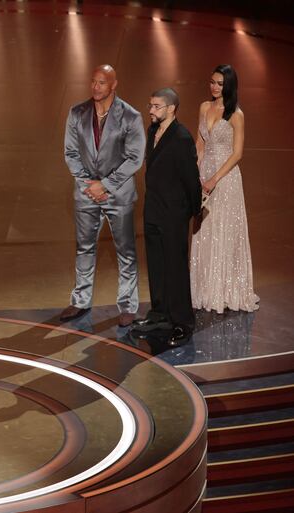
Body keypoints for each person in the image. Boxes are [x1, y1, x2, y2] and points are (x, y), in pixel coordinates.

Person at [61, 64, 146, 327]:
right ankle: (80, 300)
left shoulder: (131, 116)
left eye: (101, 83)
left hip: (118, 194)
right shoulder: (77, 112)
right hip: (86, 193)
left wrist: (105, 185)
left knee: (126, 251)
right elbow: (71, 153)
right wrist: (90, 184)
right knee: (84, 248)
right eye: (93, 82)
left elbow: (135, 158)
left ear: (113, 85)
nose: (95, 87)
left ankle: (128, 305)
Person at [131, 88, 202, 344]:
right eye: (150, 105)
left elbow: (191, 179)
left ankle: (183, 321)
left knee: (175, 269)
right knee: (157, 266)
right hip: (153, 210)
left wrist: (195, 212)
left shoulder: (182, 138)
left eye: (156, 106)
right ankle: (160, 313)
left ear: (171, 108)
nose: (151, 110)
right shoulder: (153, 130)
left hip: (173, 213)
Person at [190, 64, 259, 312]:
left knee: (223, 231)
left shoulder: (236, 114)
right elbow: (199, 143)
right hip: (204, 173)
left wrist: (213, 180)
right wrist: (196, 174)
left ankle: (225, 290)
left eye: (220, 83)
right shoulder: (204, 107)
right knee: (204, 230)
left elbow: (237, 153)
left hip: (226, 179)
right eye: (212, 82)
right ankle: (203, 289)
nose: (214, 87)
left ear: (229, 85)